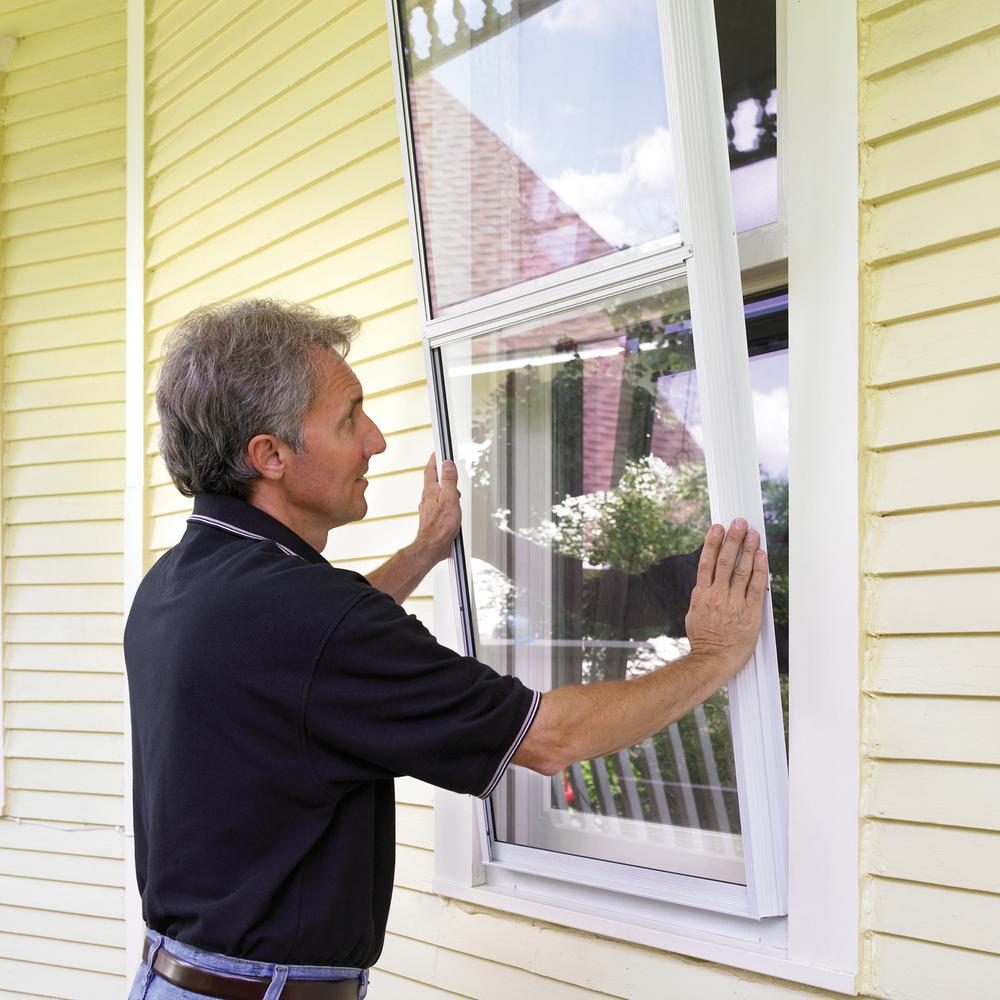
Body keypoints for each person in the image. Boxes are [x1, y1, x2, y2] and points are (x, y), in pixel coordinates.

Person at [124, 299, 768, 1000]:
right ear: (270, 455)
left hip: (174, 976)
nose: (375, 441)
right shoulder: (310, 616)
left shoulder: (182, 581)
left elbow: (302, 656)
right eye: (349, 418)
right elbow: (550, 738)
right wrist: (711, 657)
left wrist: (422, 553)